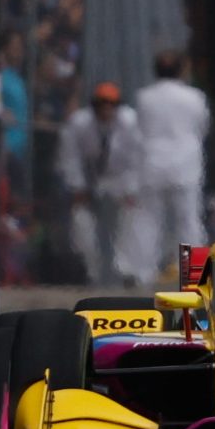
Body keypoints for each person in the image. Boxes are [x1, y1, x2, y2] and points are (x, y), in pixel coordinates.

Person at [128, 50, 212, 281]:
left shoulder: (144, 97)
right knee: (188, 219)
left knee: (148, 219)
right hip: (185, 164)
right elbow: (202, 127)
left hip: (152, 163)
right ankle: (195, 273)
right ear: (181, 69)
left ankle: (141, 272)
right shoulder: (194, 97)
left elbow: (140, 129)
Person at [59, 82, 142, 285]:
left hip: (119, 179)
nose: (106, 108)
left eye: (111, 104)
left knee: (129, 220)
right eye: (102, 103)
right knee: (81, 220)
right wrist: (77, 187)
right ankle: (92, 270)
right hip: (90, 179)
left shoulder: (130, 122)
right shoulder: (79, 123)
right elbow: (70, 157)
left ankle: (126, 269)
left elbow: (138, 159)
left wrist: (131, 190)